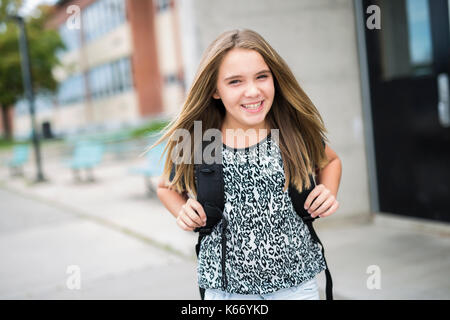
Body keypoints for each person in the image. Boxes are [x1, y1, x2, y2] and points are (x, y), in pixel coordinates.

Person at [151, 29, 342, 300]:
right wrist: (182, 210)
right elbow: (165, 187)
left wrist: (329, 190)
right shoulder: (199, 140)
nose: (252, 91)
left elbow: (331, 161)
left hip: (296, 285)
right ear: (215, 90)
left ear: (275, 78)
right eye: (235, 82)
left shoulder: (292, 132)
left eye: (262, 76)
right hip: (226, 291)